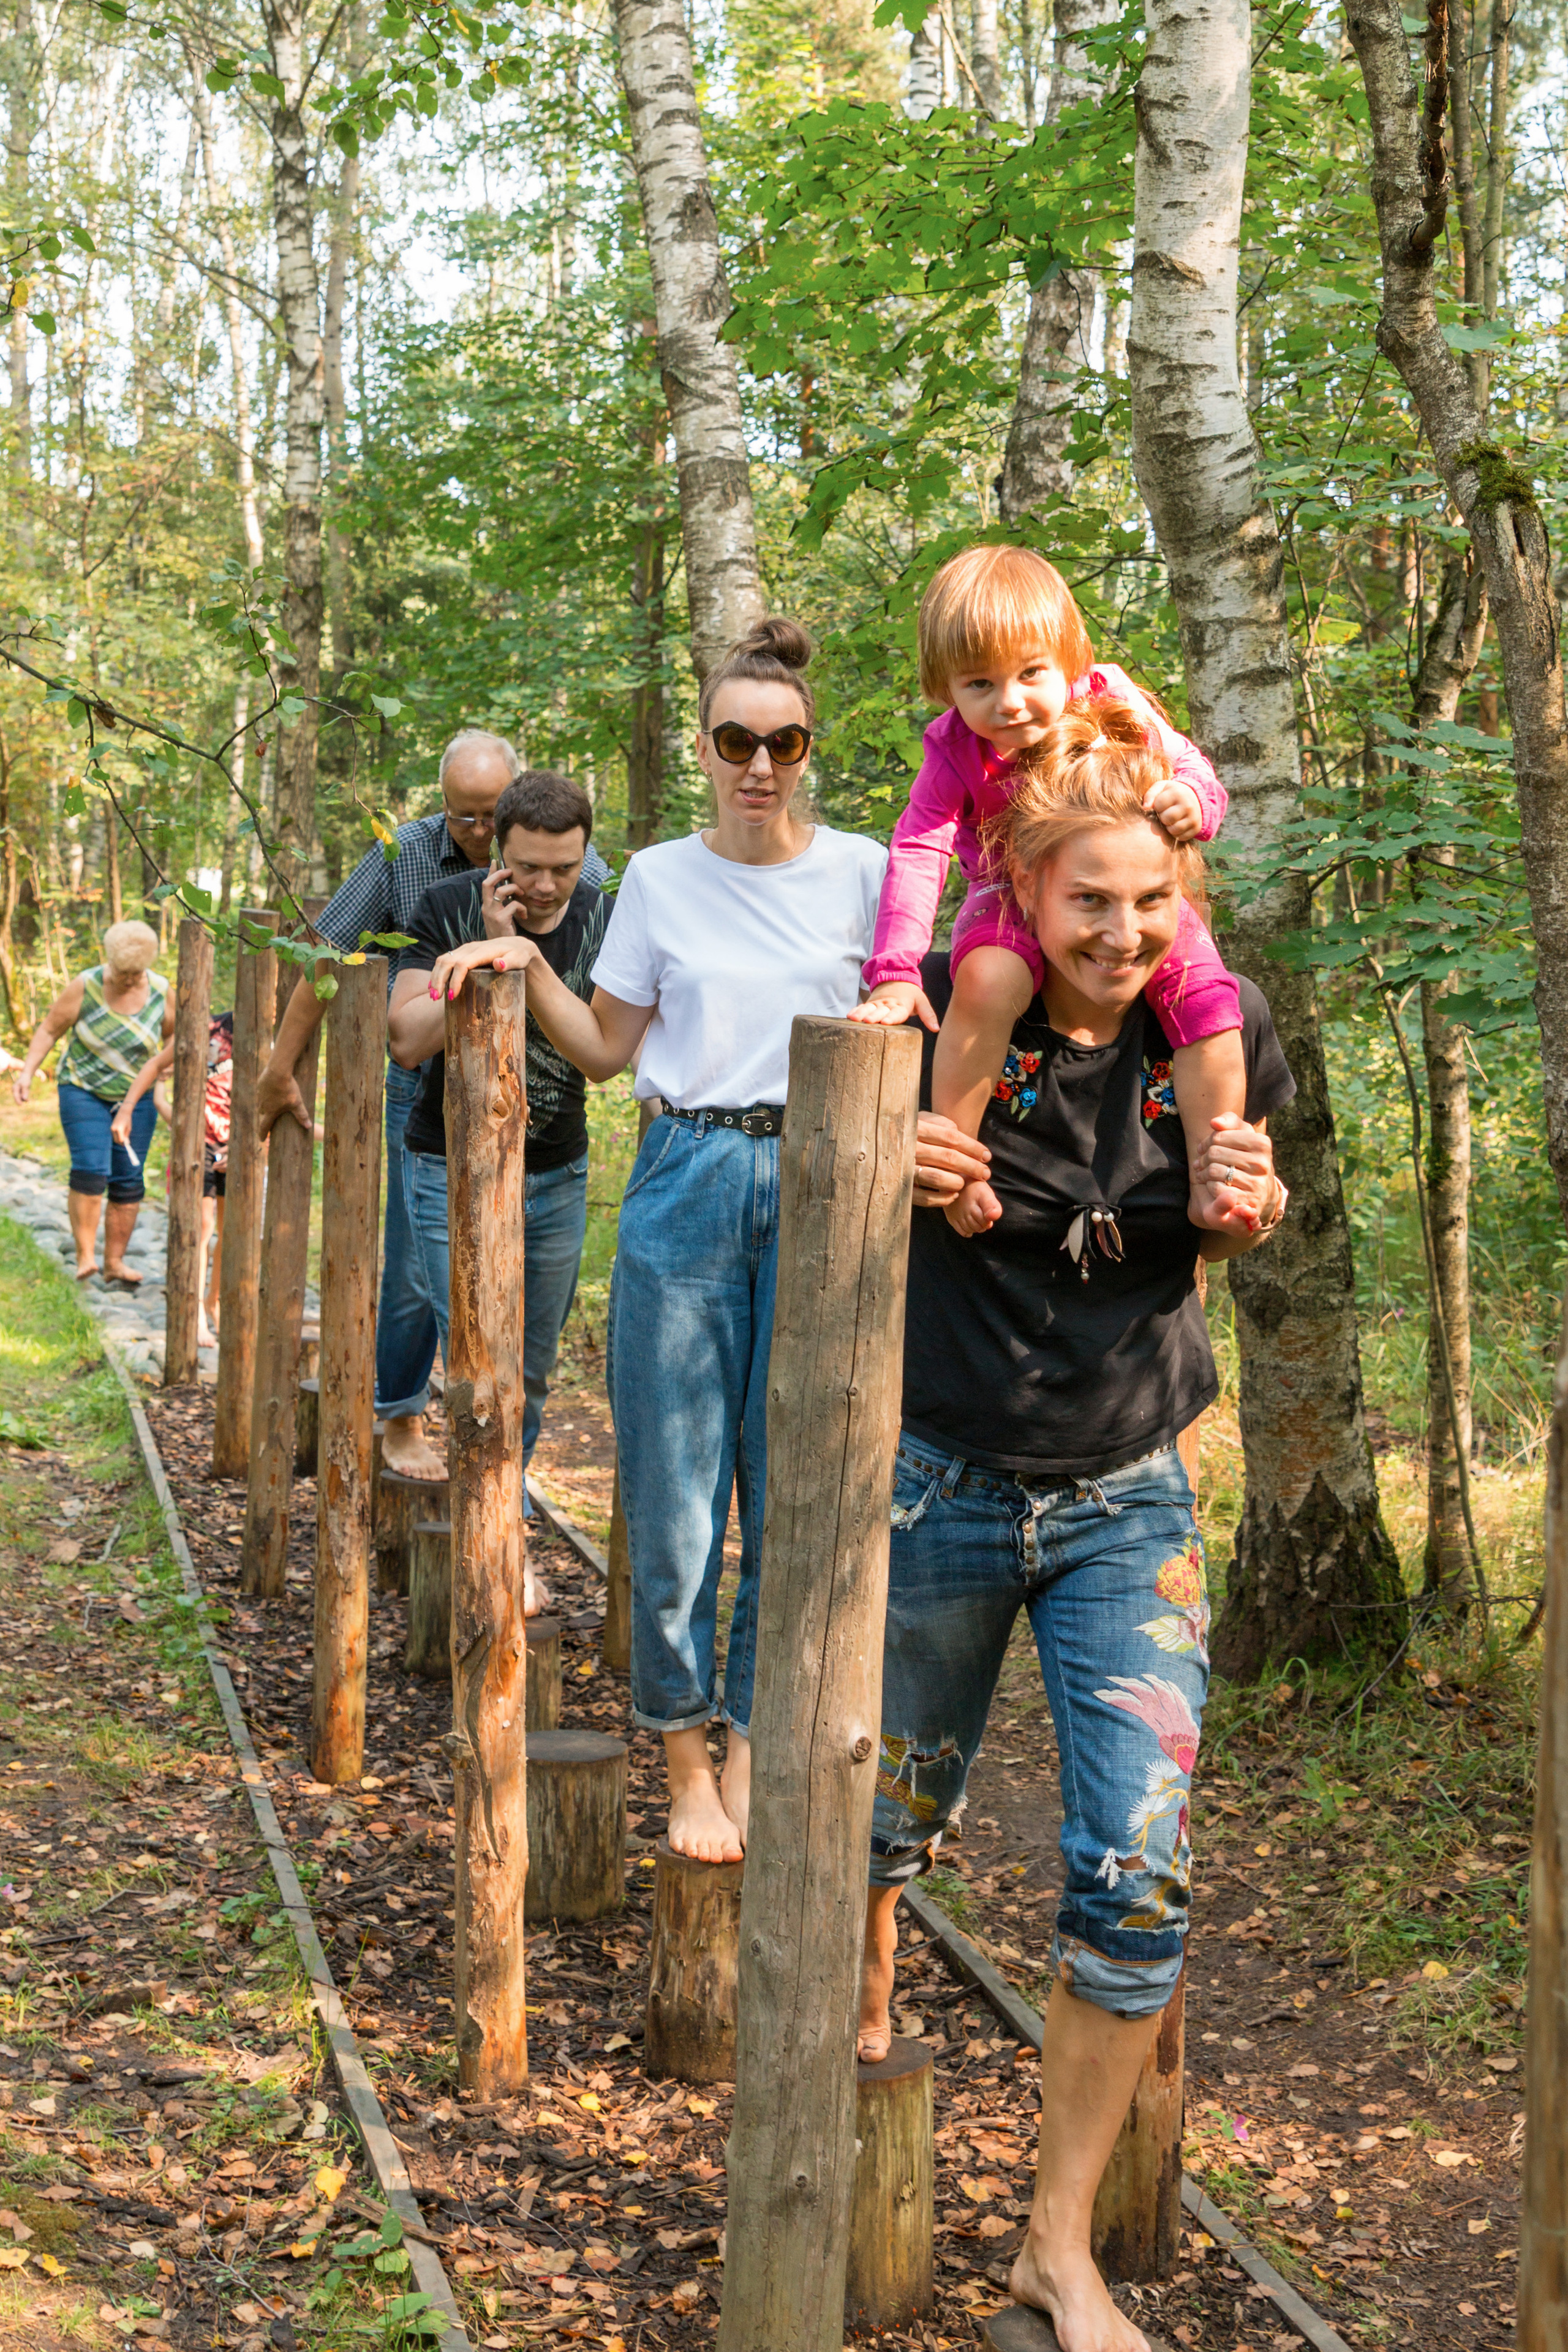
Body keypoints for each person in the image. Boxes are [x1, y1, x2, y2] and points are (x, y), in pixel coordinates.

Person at [858, 703, 1292, 2352]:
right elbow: (856, 1216)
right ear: (1025, 896)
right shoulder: (953, 1027)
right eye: (1088, 902)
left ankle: (1056, 2244)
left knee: (1136, 1878)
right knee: (882, 1825)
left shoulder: (1216, 1039)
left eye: (1150, 903)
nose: (1122, 934)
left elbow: (1220, 1227)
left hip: (1131, 1504)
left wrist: (1243, 1215)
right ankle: (861, 2018)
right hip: (943, 1485)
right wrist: (903, 1163)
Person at [421, 619, 887, 1865]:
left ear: (807, 749)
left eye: (782, 742)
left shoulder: (865, 872)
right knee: (678, 1492)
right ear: (704, 746)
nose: (759, 764)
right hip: (685, 1175)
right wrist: (522, 954)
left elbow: (915, 1015)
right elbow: (611, 1046)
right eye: (736, 739)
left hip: (825, 1177)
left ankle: (743, 1743)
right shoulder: (662, 879)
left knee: (791, 1485)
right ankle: (682, 1759)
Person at [851, 543, 1251, 1241]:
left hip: (1120, 882)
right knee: (985, 980)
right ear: (944, 686)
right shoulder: (952, 749)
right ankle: (962, 1163)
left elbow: (1189, 763)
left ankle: (1210, 1178)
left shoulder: (1109, 698)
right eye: (978, 684)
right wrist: (893, 972)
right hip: (1007, 886)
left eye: (1031, 673)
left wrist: (1191, 798)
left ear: (1068, 658)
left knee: (1211, 1005)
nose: (1008, 703)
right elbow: (920, 847)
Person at [254, 728, 609, 1481]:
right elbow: (330, 947)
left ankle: (497, 1485)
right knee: (418, 1269)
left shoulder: (578, 874)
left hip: (544, 1125)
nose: (479, 836)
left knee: (517, 1338)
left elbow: (611, 1027)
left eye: (491, 817)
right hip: (428, 1096)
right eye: (465, 820)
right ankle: (401, 1413)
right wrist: (280, 1066)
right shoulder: (407, 859)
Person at [386, 771, 609, 1607]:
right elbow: (406, 1041)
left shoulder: (606, 916)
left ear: (585, 856)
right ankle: (499, 1549)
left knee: (533, 1375)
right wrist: (483, 957)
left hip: (556, 1171)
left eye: (563, 867)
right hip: (447, 1168)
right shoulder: (443, 905)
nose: (546, 887)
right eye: (527, 868)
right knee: (480, 1368)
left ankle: (496, 1519)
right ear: (498, 854)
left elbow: (606, 1053)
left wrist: (532, 962)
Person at [11, 919, 175, 1283]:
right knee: (90, 1169)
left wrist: (167, 1064)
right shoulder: (85, 986)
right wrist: (26, 1073)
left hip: (139, 1096)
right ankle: (86, 1256)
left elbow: (176, 1035)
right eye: (121, 971)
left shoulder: (162, 991)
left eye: (136, 973)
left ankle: (115, 1262)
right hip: (83, 1089)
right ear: (109, 959)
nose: (128, 980)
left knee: (129, 1179)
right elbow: (50, 1030)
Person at [112, 1011, 233, 1347]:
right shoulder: (214, 1027)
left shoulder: (282, 1030)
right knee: (202, 1227)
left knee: (233, 1231)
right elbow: (154, 1066)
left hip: (244, 1143)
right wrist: (126, 1110)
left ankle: (216, 1300)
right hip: (201, 1142)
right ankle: (194, 1312)